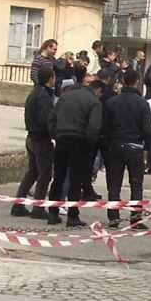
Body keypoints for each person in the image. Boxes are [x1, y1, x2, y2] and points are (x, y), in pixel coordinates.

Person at [46, 80, 104, 226]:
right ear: (96, 90)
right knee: (75, 180)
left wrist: (56, 134)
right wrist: (89, 144)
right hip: (80, 141)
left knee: (58, 177)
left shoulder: (65, 97)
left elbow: (51, 118)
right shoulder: (94, 102)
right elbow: (94, 127)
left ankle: (53, 213)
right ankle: (72, 216)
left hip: (62, 140)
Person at [103, 69, 151, 228]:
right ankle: (136, 219)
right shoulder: (142, 104)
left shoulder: (111, 102)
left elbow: (105, 128)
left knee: (114, 184)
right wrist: (150, 152)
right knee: (136, 184)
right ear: (137, 82)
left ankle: (113, 218)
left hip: (115, 146)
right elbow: (148, 130)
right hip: (135, 147)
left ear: (123, 81)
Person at [11, 67, 56, 219]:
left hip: (31, 137)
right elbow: (46, 120)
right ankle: (38, 208)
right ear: (50, 79)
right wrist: (55, 132)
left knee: (33, 172)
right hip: (41, 139)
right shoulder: (43, 96)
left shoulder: (34, 93)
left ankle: (18, 204)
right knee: (45, 174)